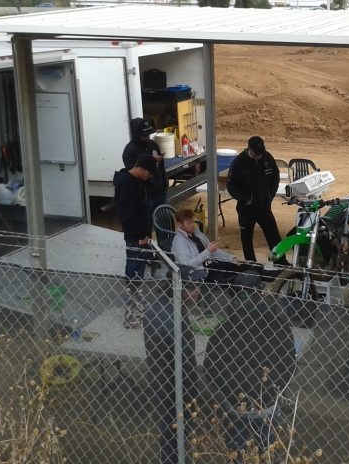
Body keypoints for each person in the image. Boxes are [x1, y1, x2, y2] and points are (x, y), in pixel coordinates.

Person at [143, 281, 198, 464]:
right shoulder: (176, 318)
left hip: (159, 376)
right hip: (177, 382)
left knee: (169, 423)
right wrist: (192, 390)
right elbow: (186, 361)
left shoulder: (154, 308)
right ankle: (173, 459)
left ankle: (172, 458)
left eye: (198, 285)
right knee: (175, 427)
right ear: (177, 287)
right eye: (191, 287)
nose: (197, 291)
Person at [113, 153, 158, 329]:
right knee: (134, 274)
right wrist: (140, 235)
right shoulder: (126, 184)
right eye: (149, 173)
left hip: (140, 235)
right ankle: (130, 313)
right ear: (141, 169)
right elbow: (127, 214)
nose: (149, 177)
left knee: (138, 273)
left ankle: (137, 308)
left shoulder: (136, 181)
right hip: (135, 238)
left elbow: (153, 189)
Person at [171, 208, 261, 289]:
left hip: (214, 264)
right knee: (237, 278)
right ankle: (254, 288)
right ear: (179, 225)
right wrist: (208, 251)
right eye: (188, 223)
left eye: (193, 222)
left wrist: (231, 259)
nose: (192, 225)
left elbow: (214, 251)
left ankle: (261, 278)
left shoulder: (198, 234)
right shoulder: (179, 242)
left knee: (246, 266)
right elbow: (187, 265)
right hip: (203, 272)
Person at [225, 136, 282, 263]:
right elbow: (231, 185)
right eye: (256, 153)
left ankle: (280, 261)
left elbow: (275, 177)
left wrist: (270, 195)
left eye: (261, 152)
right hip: (246, 209)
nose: (259, 155)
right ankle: (251, 264)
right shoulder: (239, 161)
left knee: (273, 235)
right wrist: (246, 199)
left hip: (264, 207)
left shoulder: (267, 157)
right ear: (249, 149)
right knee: (246, 238)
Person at [123, 117, 168, 214]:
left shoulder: (153, 145)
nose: (147, 136)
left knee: (165, 220)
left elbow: (161, 167)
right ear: (136, 134)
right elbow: (133, 175)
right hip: (146, 196)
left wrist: (164, 186)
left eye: (148, 134)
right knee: (147, 221)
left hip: (159, 192)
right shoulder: (130, 151)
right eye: (144, 135)